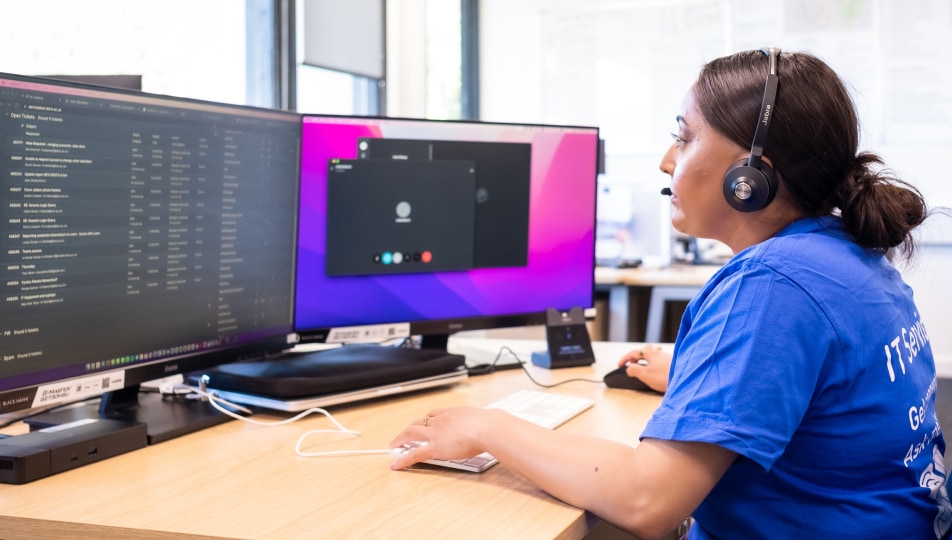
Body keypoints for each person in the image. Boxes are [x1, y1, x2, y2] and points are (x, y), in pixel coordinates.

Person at [390, 48, 949, 539]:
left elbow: (646, 501)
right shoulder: (846, 254)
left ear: (749, 175)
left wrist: (486, 426)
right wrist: (699, 370)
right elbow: (830, 387)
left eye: (683, 136)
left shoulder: (773, 285)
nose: (666, 160)